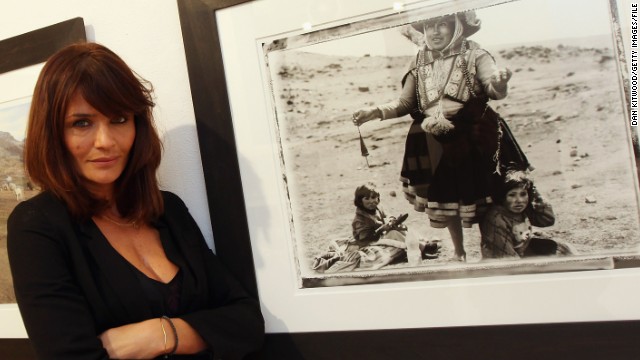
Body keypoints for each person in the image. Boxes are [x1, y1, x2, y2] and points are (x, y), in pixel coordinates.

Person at [7, 42, 264, 359]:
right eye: (82, 123)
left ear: (137, 124)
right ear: (53, 133)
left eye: (118, 120)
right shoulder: (37, 226)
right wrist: (201, 332)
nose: (106, 142)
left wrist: (158, 334)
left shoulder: (167, 209)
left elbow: (247, 321)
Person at [352, 11, 529, 262]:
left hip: (475, 135)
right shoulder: (419, 60)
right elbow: (404, 103)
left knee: (484, 195)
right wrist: (375, 111)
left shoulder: (476, 54)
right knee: (447, 199)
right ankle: (459, 252)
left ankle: (491, 247)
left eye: (442, 24)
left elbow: (492, 88)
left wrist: (500, 84)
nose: (434, 32)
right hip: (434, 139)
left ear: (457, 26)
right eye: (429, 26)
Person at [312, 182, 439, 273]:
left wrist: (390, 220)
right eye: (366, 199)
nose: (371, 201)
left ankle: (421, 243)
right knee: (395, 234)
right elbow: (365, 237)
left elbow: (387, 215)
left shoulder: (378, 208)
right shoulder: (360, 219)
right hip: (368, 241)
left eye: (374, 198)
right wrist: (383, 228)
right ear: (360, 201)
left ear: (378, 198)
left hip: (382, 234)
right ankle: (421, 248)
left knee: (402, 228)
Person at [480, 170, 576, 259]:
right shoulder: (497, 219)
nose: (519, 200)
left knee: (564, 249)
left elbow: (547, 220)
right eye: (512, 195)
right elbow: (506, 256)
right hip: (502, 260)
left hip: (523, 251)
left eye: (523, 194)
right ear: (502, 197)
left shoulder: (521, 209)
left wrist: (535, 194)